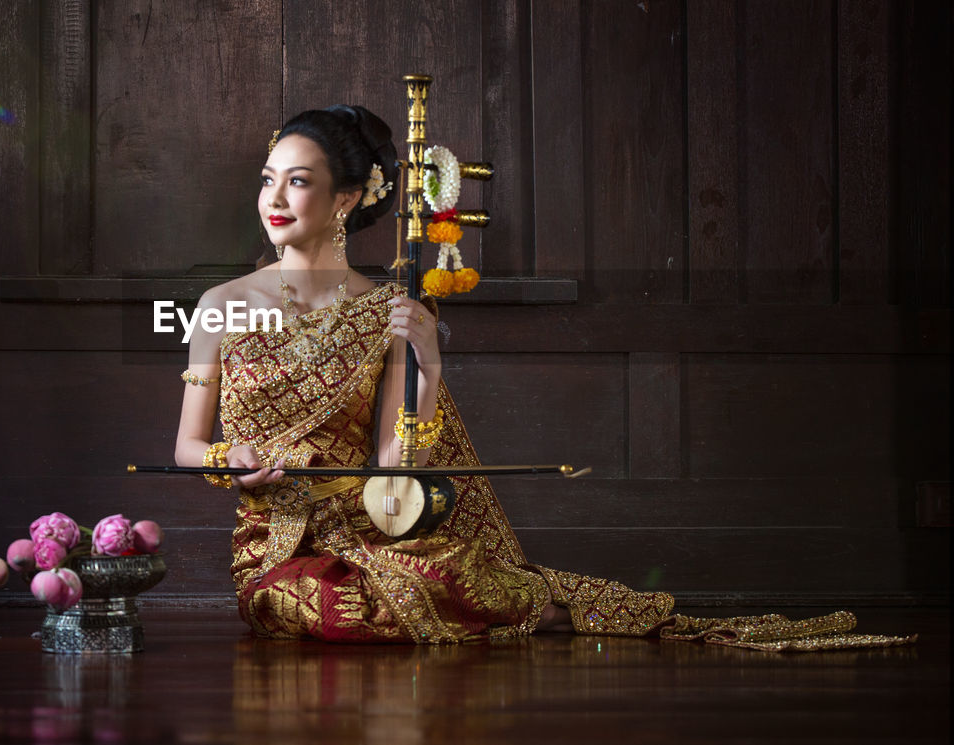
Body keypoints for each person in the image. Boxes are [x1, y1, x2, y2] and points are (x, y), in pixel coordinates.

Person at [173, 104, 915, 650]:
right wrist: (225, 458)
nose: (273, 198)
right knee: (293, 603)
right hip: (277, 545)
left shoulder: (391, 312)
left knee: (447, 569)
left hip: (371, 527)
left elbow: (396, 473)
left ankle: (539, 609)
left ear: (346, 198)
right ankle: (522, 612)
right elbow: (185, 444)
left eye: (297, 182)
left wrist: (429, 366)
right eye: (268, 178)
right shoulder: (220, 306)